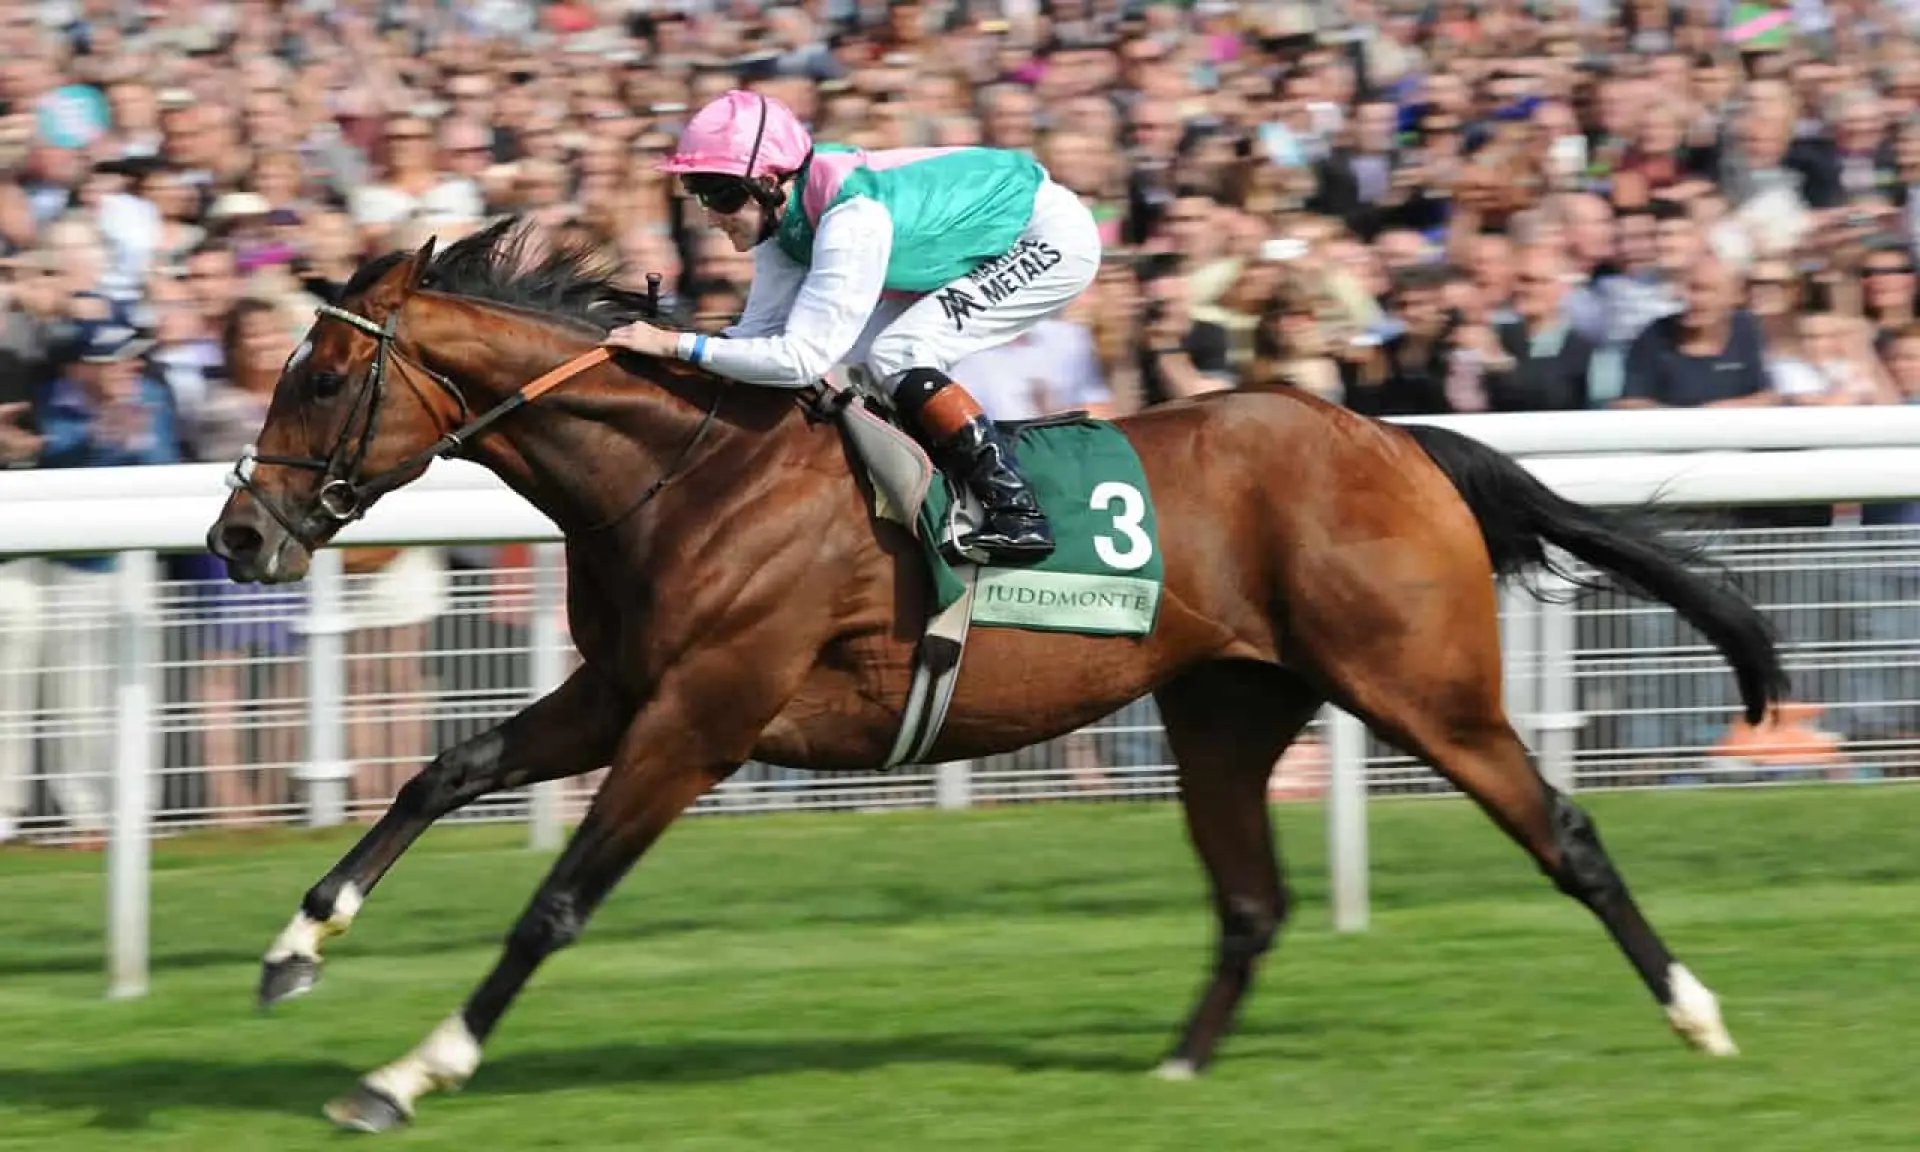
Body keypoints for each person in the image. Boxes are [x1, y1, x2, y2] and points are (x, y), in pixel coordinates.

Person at [601, 90, 1105, 564]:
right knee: (861, 355)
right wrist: (666, 351)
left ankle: (1015, 510)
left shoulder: (850, 220)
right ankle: (928, 493)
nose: (711, 218)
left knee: (898, 352)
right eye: (698, 194)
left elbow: (799, 360)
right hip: (967, 246)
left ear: (770, 184)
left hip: (1046, 239)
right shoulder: (785, 223)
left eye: (720, 196)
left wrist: (675, 345)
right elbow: (756, 338)